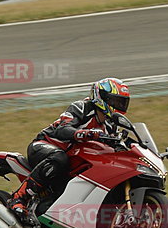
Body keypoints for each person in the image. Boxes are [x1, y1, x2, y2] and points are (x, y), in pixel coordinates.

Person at [8, 77, 131, 217]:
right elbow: (62, 130)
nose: (119, 106)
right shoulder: (82, 107)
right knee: (60, 158)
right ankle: (18, 197)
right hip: (45, 145)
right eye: (116, 101)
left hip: (73, 161)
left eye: (122, 103)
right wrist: (87, 133)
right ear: (102, 97)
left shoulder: (111, 125)